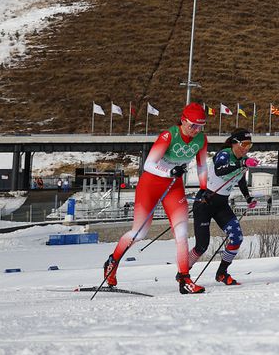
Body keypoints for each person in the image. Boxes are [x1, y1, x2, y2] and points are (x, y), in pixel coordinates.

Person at [103, 103, 210, 294]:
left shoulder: (201, 139)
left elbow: (202, 165)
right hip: (150, 185)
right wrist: (170, 170)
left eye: (200, 126)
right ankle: (112, 262)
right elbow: (149, 164)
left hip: (173, 187)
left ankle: (184, 279)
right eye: (193, 125)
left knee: (182, 233)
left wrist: (203, 188)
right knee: (139, 234)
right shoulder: (169, 135)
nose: (196, 130)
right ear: (183, 120)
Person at [187, 128, 259, 286]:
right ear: (235, 143)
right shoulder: (225, 154)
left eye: (250, 145)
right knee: (201, 246)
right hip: (205, 201)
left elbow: (239, 179)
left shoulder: (242, 159)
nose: (246, 148)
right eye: (244, 144)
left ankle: (221, 273)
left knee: (236, 237)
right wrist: (242, 163)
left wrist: (248, 198)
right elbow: (220, 171)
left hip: (221, 204)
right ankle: (183, 273)